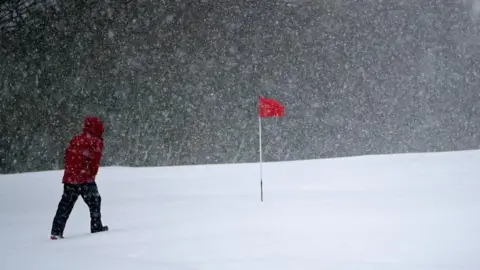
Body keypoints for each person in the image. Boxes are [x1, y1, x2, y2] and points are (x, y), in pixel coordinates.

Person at [50, 116, 108, 240]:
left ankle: (56, 232)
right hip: (84, 177)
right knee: (95, 201)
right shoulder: (95, 141)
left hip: (71, 177)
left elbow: (67, 156)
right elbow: (94, 161)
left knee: (65, 205)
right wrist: (91, 174)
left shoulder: (76, 139)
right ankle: (96, 227)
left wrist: (71, 172)